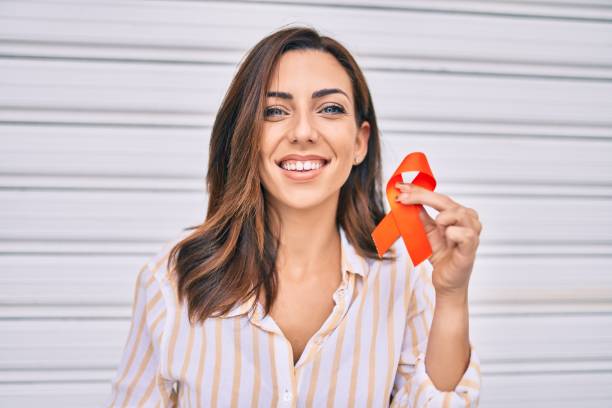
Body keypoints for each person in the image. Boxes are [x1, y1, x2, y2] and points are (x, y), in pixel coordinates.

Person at [107, 25, 482, 407]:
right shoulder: (170, 283)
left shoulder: (402, 275)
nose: (303, 132)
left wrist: (452, 295)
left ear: (359, 143)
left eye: (330, 109)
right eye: (275, 111)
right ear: (246, 137)